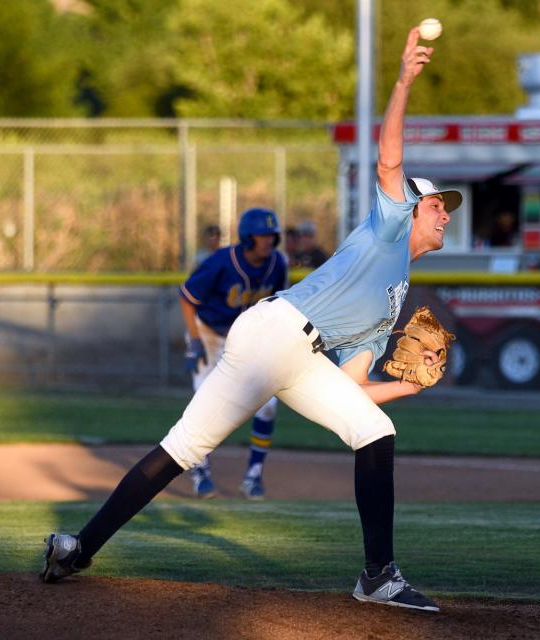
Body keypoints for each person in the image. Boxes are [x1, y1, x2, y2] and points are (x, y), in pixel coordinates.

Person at [40, 25, 457, 612]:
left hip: (304, 360)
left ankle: (377, 577)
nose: (445, 213)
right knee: (184, 448)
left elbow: (351, 387)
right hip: (274, 333)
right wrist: (403, 81)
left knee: (374, 431)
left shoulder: (395, 296)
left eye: (446, 206)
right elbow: (389, 158)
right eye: (439, 204)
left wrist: (407, 386)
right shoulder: (390, 224)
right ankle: (78, 547)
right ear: (412, 208)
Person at [179, 208, 287, 499]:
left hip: (247, 337)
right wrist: (193, 339)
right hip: (209, 332)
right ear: (247, 238)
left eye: (271, 235)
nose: (268, 241)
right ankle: (200, 470)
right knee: (205, 401)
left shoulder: (277, 264)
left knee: (268, 404)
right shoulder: (222, 262)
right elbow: (187, 298)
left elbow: (276, 305)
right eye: (262, 236)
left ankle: (253, 476)